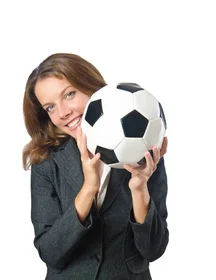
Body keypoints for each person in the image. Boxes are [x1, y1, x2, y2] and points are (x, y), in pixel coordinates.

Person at [22, 53, 169, 279]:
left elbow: (153, 250)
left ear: (93, 88)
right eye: (50, 107)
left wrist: (139, 190)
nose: (63, 113)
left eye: (69, 94)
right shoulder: (46, 161)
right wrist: (89, 188)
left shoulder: (143, 149)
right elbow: (50, 252)